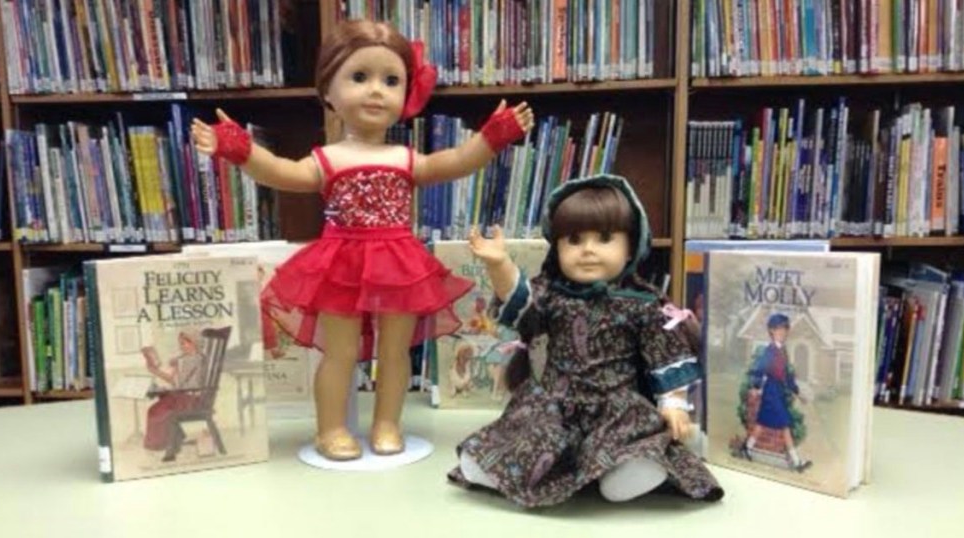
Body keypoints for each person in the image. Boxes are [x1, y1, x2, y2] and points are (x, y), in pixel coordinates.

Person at [190, 19, 534, 461]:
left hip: (400, 266)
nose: (376, 90)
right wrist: (239, 150)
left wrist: (492, 137)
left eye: (391, 80)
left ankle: (387, 423)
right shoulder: (327, 158)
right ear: (328, 93)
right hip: (341, 265)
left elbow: (454, 161)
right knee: (340, 352)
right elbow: (283, 173)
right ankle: (330, 429)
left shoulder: (405, 158)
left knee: (395, 352)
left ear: (406, 94)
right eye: (359, 77)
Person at [447, 174, 723, 508]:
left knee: (627, 440)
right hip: (554, 403)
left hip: (616, 407)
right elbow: (522, 306)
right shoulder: (552, 295)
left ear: (631, 245)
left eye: (605, 238)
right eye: (574, 240)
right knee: (526, 435)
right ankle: (504, 467)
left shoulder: (642, 304)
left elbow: (665, 355)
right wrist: (500, 265)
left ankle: (633, 466)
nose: (588, 250)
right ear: (558, 247)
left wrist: (674, 404)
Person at [740, 313, 810, 472]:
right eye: (779, 329)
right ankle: (796, 461)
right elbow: (759, 369)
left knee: (761, 423)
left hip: (778, 390)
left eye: (785, 329)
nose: (783, 332)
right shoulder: (770, 351)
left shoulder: (783, 351)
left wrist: (798, 393)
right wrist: (756, 387)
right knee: (785, 425)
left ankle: (747, 448)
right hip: (771, 391)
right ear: (771, 331)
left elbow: (788, 376)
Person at [142, 331, 207, 457]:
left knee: (157, 411)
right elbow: (173, 380)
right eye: (180, 344)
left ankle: (160, 445)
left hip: (191, 399)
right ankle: (170, 440)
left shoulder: (197, 359)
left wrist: (178, 363)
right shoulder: (183, 359)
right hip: (182, 395)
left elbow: (182, 384)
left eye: (184, 344)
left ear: (194, 343)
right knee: (155, 408)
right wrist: (154, 370)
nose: (181, 347)